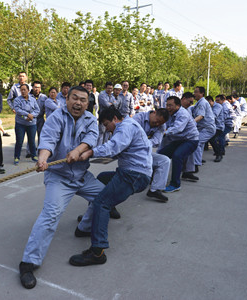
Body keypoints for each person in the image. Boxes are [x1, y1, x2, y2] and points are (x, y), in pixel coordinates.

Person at [19, 86, 104, 289]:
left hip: (82, 176)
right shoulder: (57, 117)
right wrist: (43, 159)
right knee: (50, 216)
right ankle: (28, 262)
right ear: (67, 99)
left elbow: (91, 138)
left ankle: (84, 227)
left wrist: (78, 150)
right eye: (74, 98)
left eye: (83, 100)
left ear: (87, 103)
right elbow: (48, 140)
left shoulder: (91, 119)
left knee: (105, 197)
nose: (78, 103)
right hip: (59, 178)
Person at [68, 106, 152, 267]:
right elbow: (114, 150)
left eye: (107, 124)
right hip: (131, 173)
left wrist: (90, 152)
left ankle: (97, 251)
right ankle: (101, 215)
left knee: (101, 203)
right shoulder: (128, 126)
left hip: (134, 175)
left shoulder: (126, 127)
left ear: (115, 119)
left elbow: (114, 146)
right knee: (102, 179)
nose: (107, 129)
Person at [158, 96, 199, 192]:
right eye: (167, 105)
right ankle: (155, 178)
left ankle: (175, 184)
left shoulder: (183, 114)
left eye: (170, 105)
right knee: (161, 155)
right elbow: (163, 125)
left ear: (178, 105)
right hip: (178, 140)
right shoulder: (169, 113)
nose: (168, 107)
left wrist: (163, 133)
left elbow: (177, 128)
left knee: (177, 156)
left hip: (191, 140)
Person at [133, 108, 170, 202]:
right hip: (132, 152)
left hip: (144, 151)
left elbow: (157, 141)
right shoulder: (138, 118)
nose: (157, 124)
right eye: (157, 121)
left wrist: (143, 143)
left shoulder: (162, 125)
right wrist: (144, 143)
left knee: (165, 160)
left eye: (160, 123)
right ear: (154, 113)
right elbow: (131, 137)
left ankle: (155, 190)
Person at [13, 84, 40, 165]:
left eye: (25, 89)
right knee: (19, 141)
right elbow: (18, 110)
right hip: (20, 124)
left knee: (32, 141)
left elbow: (37, 110)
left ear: (28, 90)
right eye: (22, 90)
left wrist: (32, 116)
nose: (23, 91)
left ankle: (34, 155)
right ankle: (17, 157)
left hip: (32, 124)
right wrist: (27, 115)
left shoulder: (33, 99)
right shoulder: (17, 100)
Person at [192, 87, 216, 168]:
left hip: (207, 128)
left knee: (197, 142)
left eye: (196, 92)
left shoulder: (202, 103)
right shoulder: (199, 102)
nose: (194, 93)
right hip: (204, 128)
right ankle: (198, 160)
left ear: (201, 93)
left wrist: (191, 123)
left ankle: (196, 163)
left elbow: (201, 116)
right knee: (200, 144)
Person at [207, 96, 225, 162]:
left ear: (211, 101)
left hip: (218, 127)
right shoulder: (209, 106)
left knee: (212, 138)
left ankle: (219, 154)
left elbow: (213, 116)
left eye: (208, 103)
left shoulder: (218, 106)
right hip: (212, 126)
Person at [30, 81, 47, 147]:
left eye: (38, 87)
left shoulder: (44, 97)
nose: (37, 89)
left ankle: (40, 150)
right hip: (32, 119)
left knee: (41, 135)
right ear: (32, 87)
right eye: (35, 87)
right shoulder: (28, 96)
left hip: (40, 119)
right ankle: (30, 151)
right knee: (31, 135)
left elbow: (47, 108)